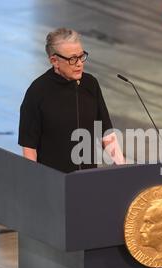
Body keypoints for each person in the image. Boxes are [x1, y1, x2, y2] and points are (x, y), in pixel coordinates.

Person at [18, 28, 124, 173]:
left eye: (81, 56)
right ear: (54, 61)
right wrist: (36, 184)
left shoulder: (90, 84)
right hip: (54, 183)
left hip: (87, 180)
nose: (79, 63)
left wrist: (124, 169)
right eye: (73, 59)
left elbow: (107, 133)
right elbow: (29, 148)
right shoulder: (37, 92)